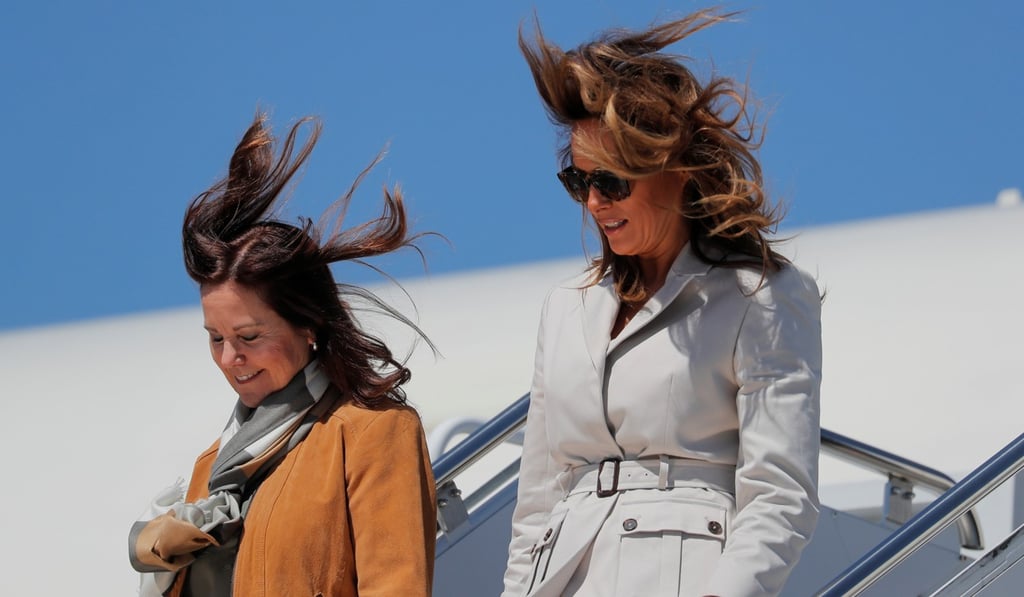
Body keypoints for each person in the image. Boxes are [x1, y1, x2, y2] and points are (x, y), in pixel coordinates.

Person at [503, 8, 822, 597]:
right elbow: (537, 502)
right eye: (578, 182)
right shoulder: (564, 307)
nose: (594, 203)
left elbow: (780, 496)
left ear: (676, 169)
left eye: (613, 182)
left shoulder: (763, 298)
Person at [128, 113, 437, 597]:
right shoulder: (213, 467)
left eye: (249, 337)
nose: (230, 358)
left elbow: (396, 586)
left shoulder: (373, 433)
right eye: (215, 338)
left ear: (308, 325)